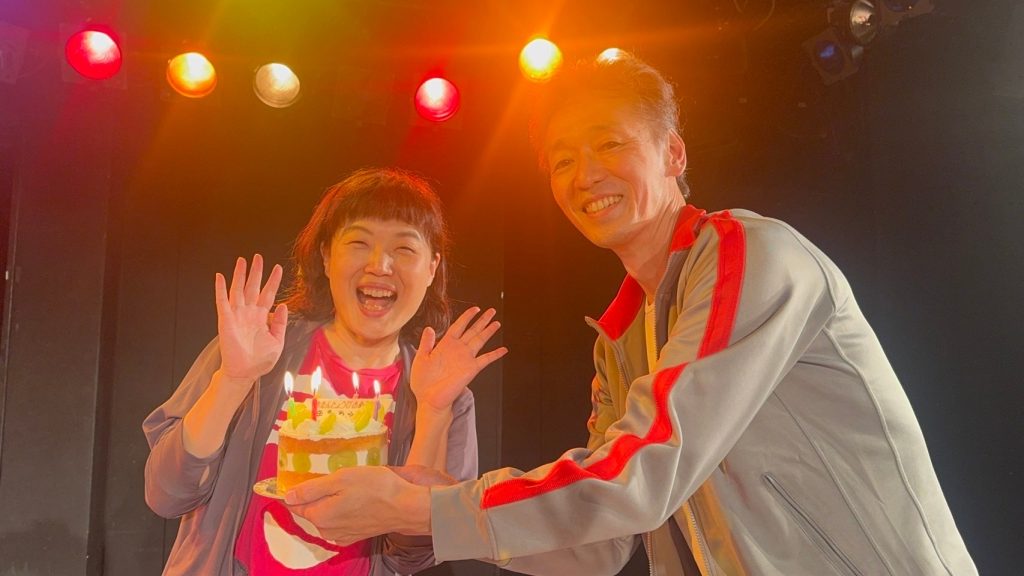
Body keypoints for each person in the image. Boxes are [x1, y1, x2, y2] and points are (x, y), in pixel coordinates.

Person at [284, 56, 978, 575]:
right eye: (562, 160)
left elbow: (644, 471)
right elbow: (602, 544)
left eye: (609, 144)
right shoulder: (621, 337)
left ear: (673, 153)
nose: (585, 174)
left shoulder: (748, 253)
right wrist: (441, 509)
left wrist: (423, 509)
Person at [143, 167, 506, 575]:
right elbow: (167, 494)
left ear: (431, 268)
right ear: (327, 256)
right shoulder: (258, 347)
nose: (380, 264)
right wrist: (233, 379)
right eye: (359, 242)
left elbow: (412, 555)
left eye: (404, 248)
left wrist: (433, 413)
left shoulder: (445, 395)